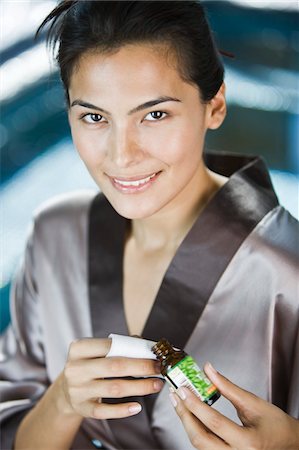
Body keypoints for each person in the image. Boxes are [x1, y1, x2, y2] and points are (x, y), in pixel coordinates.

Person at [0, 1, 298, 449]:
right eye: (94, 117)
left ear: (214, 105)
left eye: (154, 114)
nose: (121, 155)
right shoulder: (53, 238)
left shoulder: (288, 273)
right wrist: (62, 400)